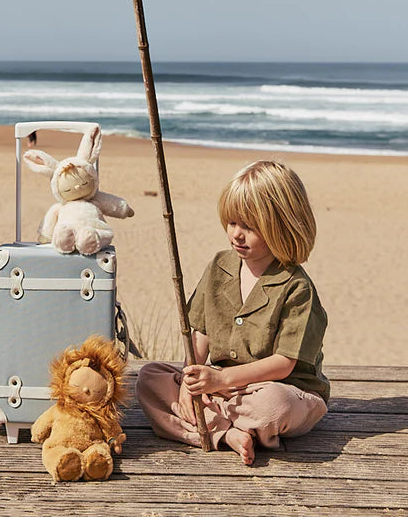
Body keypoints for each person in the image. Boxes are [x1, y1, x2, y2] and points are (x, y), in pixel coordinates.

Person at [136, 160, 328, 465]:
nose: (237, 234)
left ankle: (207, 425)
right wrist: (191, 381)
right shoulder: (219, 267)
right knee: (148, 378)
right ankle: (227, 434)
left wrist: (221, 380)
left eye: (250, 227)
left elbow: (283, 363)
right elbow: (201, 334)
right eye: (232, 223)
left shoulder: (296, 287)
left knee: (274, 405)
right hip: (224, 392)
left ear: (282, 226)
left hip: (280, 389)